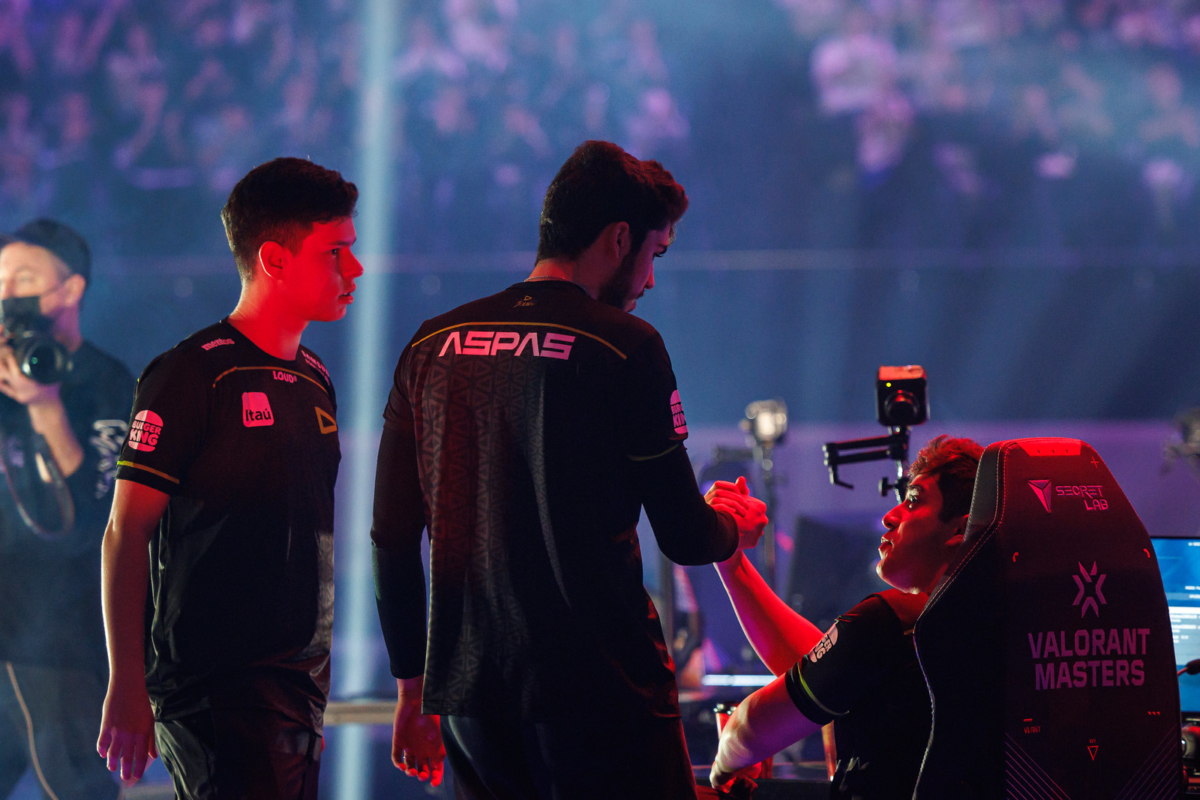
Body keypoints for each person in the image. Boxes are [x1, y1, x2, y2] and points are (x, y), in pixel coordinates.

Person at [371, 140, 768, 800]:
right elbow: (684, 535)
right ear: (619, 239)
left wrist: (413, 691)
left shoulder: (431, 344)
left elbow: (390, 538)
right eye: (654, 254)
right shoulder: (626, 345)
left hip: (472, 698)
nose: (648, 281)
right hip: (604, 693)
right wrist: (734, 526)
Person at [95, 157, 361, 799]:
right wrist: (125, 683)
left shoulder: (316, 377)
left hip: (298, 692)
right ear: (274, 260)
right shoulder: (189, 374)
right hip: (217, 693)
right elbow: (125, 533)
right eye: (335, 252)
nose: (354, 268)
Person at [710, 435, 983, 799]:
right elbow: (821, 666)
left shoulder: (890, 620)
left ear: (959, 530)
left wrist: (724, 763)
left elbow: (750, 731)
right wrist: (731, 561)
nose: (889, 516)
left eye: (913, 501)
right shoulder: (987, 621)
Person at [0, 219, 134, 799]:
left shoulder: (107, 382)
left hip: (62, 644)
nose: (8, 294)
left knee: (76, 791)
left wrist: (46, 408)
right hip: (6, 629)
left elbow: (95, 518)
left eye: (24, 279)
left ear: (70, 289)